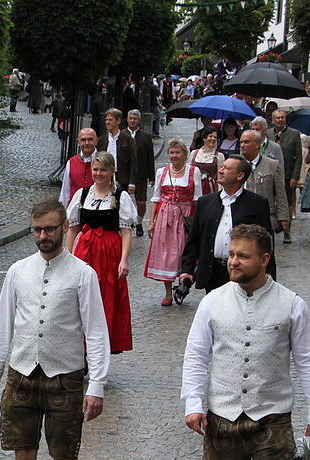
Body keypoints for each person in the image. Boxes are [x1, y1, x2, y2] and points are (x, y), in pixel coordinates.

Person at [182, 223, 310, 460]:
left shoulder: (292, 304)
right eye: (231, 254)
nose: (233, 261)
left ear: (264, 259)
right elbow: (196, 355)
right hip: (222, 417)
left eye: (243, 256)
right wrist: (193, 403)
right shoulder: (212, 302)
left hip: (272, 418)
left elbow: (309, 360)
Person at [0, 198, 111, 460]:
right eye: (37, 230)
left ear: (65, 227)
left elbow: (96, 332)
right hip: (21, 377)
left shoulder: (82, 274)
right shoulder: (17, 271)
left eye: (50, 229)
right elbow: (1, 327)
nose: (43, 236)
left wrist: (97, 385)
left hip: (64, 379)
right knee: (23, 453)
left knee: (63, 455)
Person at [66, 151, 136, 354]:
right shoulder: (83, 195)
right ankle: (81, 346)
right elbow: (73, 228)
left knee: (106, 297)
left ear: (112, 171)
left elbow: (126, 231)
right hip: (85, 251)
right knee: (80, 297)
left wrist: (124, 260)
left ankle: (100, 346)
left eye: (103, 170)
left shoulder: (120, 197)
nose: (98, 173)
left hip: (109, 254)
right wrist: (67, 256)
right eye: (95, 169)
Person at [178, 156, 275, 293]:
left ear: (240, 176)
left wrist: (269, 276)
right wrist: (186, 270)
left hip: (244, 271)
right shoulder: (205, 202)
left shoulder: (257, 203)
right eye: (221, 167)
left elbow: (266, 243)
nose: (221, 171)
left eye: (227, 168)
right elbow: (194, 239)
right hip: (213, 271)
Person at [144, 139, 202, 305]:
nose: (174, 155)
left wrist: (197, 222)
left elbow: (198, 198)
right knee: (166, 254)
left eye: (178, 152)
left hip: (185, 216)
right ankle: (168, 293)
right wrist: (152, 222)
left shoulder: (193, 171)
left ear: (184, 154)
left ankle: (183, 285)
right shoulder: (161, 172)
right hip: (165, 218)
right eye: (172, 152)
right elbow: (156, 198)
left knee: (184, 252)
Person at [239, 130, 289, 237]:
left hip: (265, 217)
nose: (242, 145)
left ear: (257, 144)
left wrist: (283, 217)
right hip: (241, 216)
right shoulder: (236, 164)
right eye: (241, 142)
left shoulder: (272, 165)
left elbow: (280, 193)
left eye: (246, 142)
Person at [270, 110, 302, 238]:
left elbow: (298, 157)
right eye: (277, 118)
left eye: (282, 117)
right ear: (273, 120)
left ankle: (287, 231)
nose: (280, 120)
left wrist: (295, 176)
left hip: (288, 174)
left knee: (287, 202)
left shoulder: (294, 134)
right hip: (271, 174)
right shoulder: (268, 134)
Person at [126, 109, 155, 236]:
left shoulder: (146, 137)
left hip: (141, 174)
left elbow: (150, 157)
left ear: (139, 120)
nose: (133, 121)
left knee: (141, 202)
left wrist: (152, 176)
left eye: (135, 118)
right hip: (125, 174)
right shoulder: (122, 135)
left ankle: (138, 221)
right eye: (131, 118)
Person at [97, 108, 138, 192]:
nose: (107, 122)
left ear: (118, 121)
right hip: (104, 178)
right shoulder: (101, 140)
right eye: (106, 120)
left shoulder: (128, 139)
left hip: (122, 180)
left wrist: (132, 183)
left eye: (110, 120)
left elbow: (133, 161)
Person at [58, 128, 98, 206]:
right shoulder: (71, 162)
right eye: (83, 140)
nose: (87, 143)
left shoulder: (104, 162)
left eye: (90, 139)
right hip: (74, 208)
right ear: (78, 142)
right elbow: (66, 190)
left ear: (96, 141)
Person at [189, 126, 224, 195]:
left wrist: (219, 193)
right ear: (204, 138)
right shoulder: (194, 153)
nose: (213, 139)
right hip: (195, 186)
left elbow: (220, 176)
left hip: (210, 188)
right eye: (210, 136)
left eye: (215, 137)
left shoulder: (219, 156)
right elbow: (189, 173)